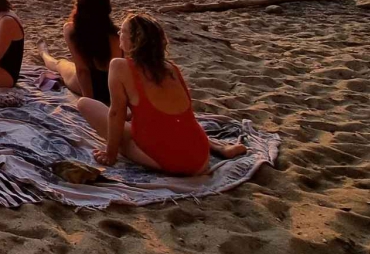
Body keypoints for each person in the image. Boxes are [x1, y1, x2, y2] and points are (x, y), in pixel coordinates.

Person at [76, 12, 246, 175]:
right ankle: (219, 148)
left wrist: (110, 154)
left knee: (85, 104)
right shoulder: (171, 68)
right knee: (174, 123)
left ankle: (213, 149)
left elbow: (115, 113)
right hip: (200, 157)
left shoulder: (119, 66)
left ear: (135, 41)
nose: (119, 33)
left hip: (172, 162)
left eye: (124, 31)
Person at [39, 0, 122, 104]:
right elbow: (116, 72)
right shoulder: (116, 35)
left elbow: (83, 70)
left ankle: (43, 53)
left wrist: (90, 101)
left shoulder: (71, 30)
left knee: (60, 64)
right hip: (114, 89)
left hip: (90, 87)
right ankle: (44, 53)